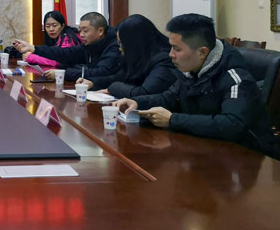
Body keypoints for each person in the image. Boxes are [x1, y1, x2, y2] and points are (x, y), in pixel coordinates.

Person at [115, 13, 277, 157]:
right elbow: (169, 97)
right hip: (205, 150)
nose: (171, 54)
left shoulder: (236, 77)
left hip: (246, 157)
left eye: (177, 49)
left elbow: (232, 124)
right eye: (171, 47)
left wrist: (172, 120)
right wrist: (137, 102)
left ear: (202, 52)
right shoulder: (191, 69)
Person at [77, 14, 177, 98]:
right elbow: (120, 77)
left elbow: (144, 92)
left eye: (122, 43)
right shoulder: (139, 54)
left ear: (134, 43)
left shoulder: (164, 59)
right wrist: (93, 83)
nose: (120, 48)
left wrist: (112, 88)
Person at [14, 11, 122, 81]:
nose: (81, 35)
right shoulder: (88, 44)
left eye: (85, 31)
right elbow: (65, 53)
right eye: (80, 30)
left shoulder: (114, 47)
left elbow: (101, 72)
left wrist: (64, 74)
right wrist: (34, 48)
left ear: (100, 31)